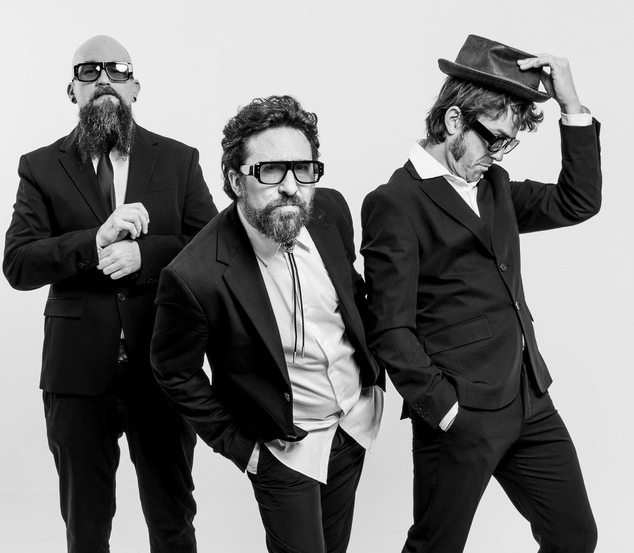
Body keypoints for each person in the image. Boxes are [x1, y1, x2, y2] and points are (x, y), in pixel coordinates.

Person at [361, 35, 601, 552]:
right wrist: (446, 410)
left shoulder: (496, 188)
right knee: (436, 546)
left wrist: (571, 105)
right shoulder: (394, 203)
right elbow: (390, 328)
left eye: (507, 145)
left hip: (529, 397)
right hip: (462, 412)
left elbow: (577, 201)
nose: (496, 155)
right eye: (493, 139)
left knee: (575, 536)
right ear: (453, 121)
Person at [3, 35, 218, 553]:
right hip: (77, 374)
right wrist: (94, 240)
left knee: (172, 522)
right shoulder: (40, 166)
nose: (103, 79)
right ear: (72, 91)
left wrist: (147, 255)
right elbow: (18, 263)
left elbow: (213, 249)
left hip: (161, 366)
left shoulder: (178, 159)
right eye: (89, 71)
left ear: (135, 87)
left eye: (117, 70)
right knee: (86, 528)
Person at [150, 95, 384, 553]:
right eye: (271, 170)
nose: (292, 187)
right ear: (235, 180)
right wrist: (244, 449)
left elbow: (351, 295)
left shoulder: (331, 211)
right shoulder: (194, 274)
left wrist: (374, 383)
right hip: (285, 450)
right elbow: (174, 371)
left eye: (304, 169)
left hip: (354, 427)